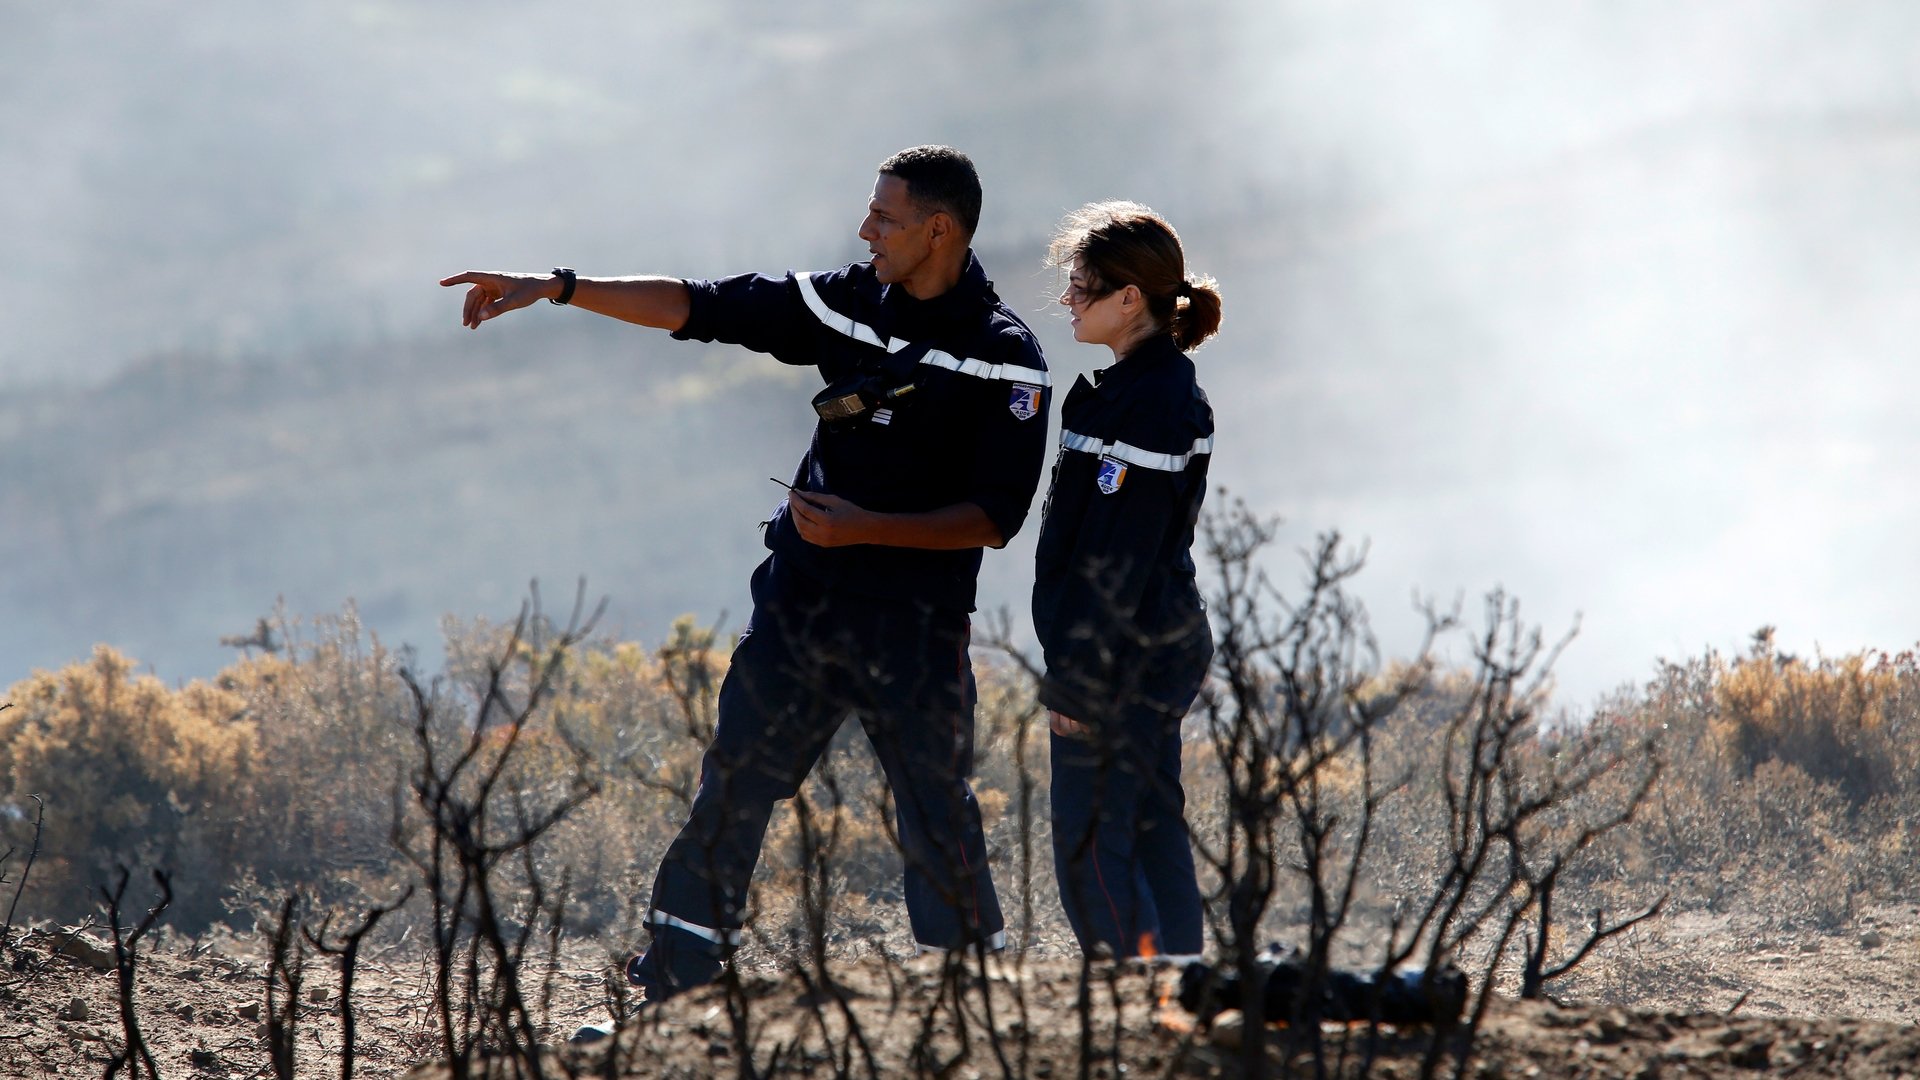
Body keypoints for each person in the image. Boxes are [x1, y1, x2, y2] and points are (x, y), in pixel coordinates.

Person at [441, 146, 1050, 1030]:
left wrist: (864, 528)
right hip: (799, 608)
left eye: (883, 217)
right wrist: (558, 284)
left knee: (933, 809)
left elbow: (996, 516)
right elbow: (701, 305)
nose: (864, 229)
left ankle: (976, 1008)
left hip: (914, 631)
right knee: (733, 788)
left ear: (938, 229)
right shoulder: (847, 301)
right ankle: (675, 993)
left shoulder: (1005, 359)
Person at [1031, 201, 1221, 962]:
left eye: (1081, 285)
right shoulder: (1131, 390)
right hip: (1147, 644)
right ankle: (1182, 992)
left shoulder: (1157, 404)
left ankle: (1137, 1000)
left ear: (1128, 298)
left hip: (1122, 655)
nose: (1068, 299)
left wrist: (1079, 680)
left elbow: (1121, 556)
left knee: (1088, 840)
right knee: (1147, 823)